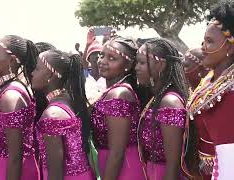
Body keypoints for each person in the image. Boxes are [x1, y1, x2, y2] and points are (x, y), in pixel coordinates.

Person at [184, 1, 234, 179]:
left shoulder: (230, 93)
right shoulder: (210, 79)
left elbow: (229, 157)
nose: (203, 47)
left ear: (229, 46)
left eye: (210, 42)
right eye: (203, 40)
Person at [32, 50, 94, 180]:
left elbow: (56, 173)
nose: (32, 73)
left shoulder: (52, 115)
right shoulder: (66, 99)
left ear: (50, 75)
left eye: (37, 69)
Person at [0, 35, 41, 180]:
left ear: (11, 60)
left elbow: (16, 157)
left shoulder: (10, 97)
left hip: (11, 171)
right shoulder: (9, 89)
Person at [91, 36, 146, 180]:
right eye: (101, 55)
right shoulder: (115, 90)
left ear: (127, 65)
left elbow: (117, 152)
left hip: (123, 168)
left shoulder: (118, 95)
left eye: (112, 58)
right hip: (113, 163)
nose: (102, 61)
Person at [136, 38, 188, 180]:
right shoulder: (156, 97)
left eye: (142, 63)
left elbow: (173, 165)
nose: (136, 68)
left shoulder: (169, 102)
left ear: (160, 64)